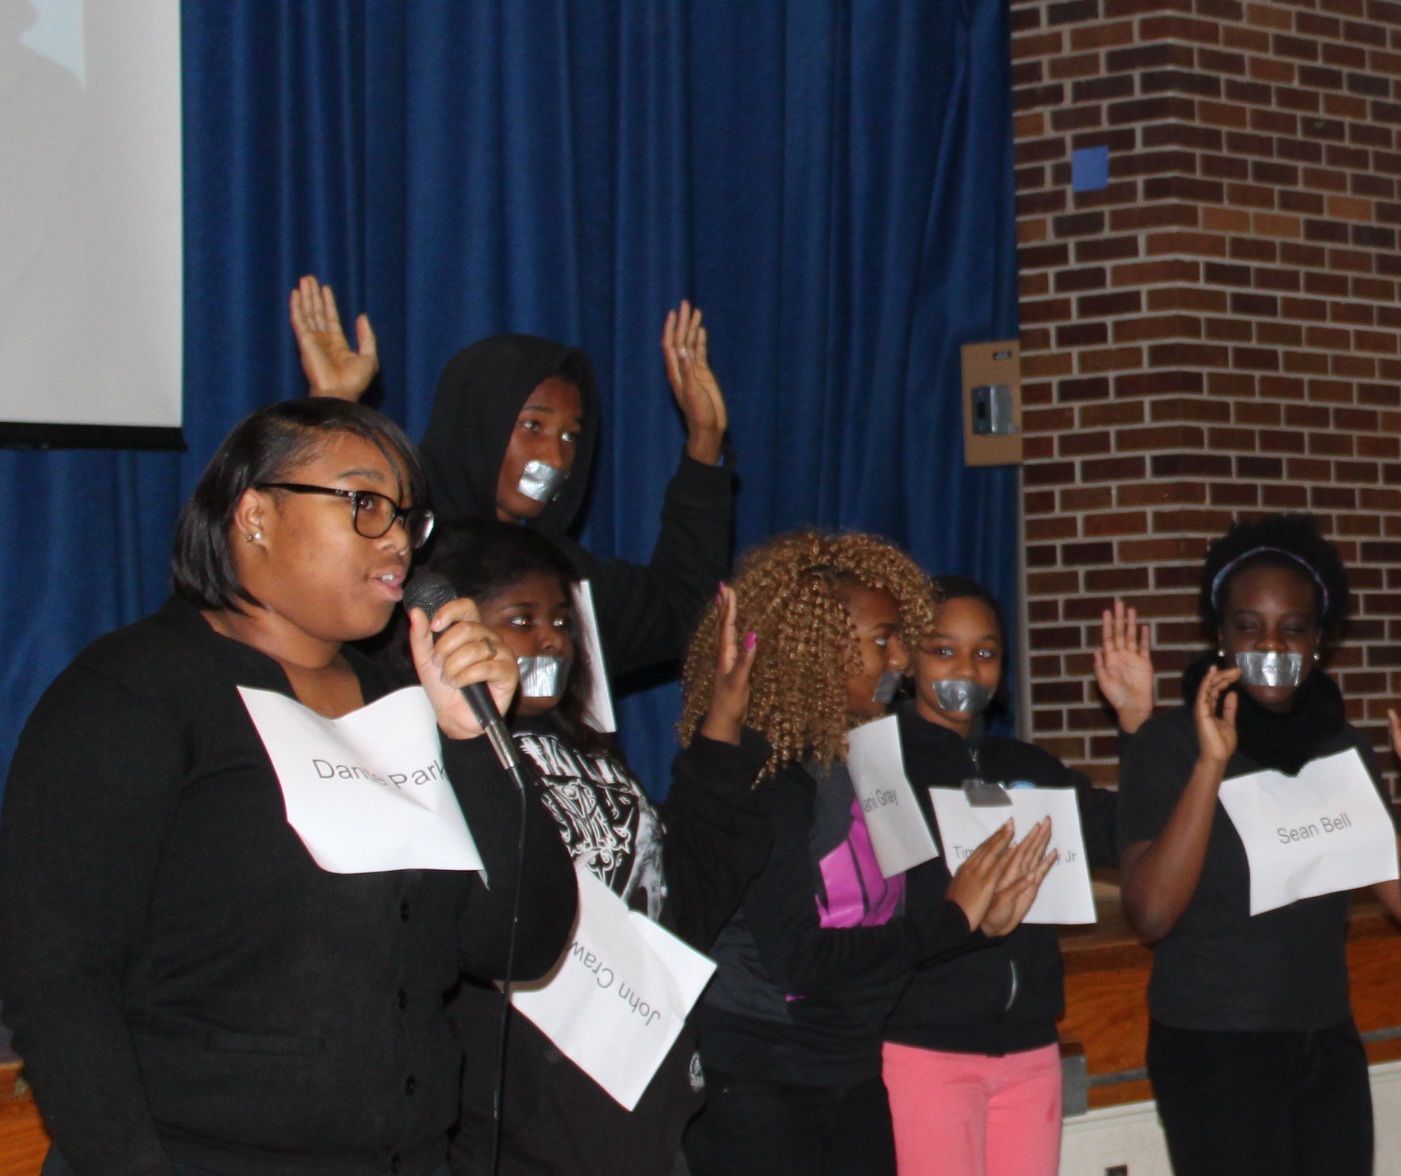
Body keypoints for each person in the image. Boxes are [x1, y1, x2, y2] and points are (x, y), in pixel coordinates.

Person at [0, 398, 578, 1176]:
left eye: (408, 516)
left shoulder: (403, 705)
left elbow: (520, 941)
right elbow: (57, 978)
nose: (399, 539)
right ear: (256, 516)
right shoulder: (134, 692)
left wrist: (474, 741)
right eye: (365, 504)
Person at [675, 531, 1059, 1176]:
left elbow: (892, 927)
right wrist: (956, 920)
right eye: (884, 639)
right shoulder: (769, 777)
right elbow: (801, 960)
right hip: (764, 1076)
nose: (901, 659)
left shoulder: (866, 759)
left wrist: (976, 928)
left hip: (853, 1070)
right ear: (819, 648)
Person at [423, 518, 775, 1174]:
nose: (549, 638)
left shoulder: (591, 751)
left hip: (645, 1106)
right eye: (520, 619)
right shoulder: (445, 759)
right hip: (528, 1125)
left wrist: (724, 722)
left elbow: (676, 893)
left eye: (559, 619)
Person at [1115, 514, 1401, 1176]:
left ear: (1318, 641)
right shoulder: (1168, 746)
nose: (1270, 644)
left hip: (1324, 1041)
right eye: (1248, 626)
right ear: (1220, 635)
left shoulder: (1342, 747)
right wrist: (1211, 764)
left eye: (1292, 628)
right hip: (1212, 1047)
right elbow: (1151, 913)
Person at [295, 278, 738, 685]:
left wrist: (705, 441)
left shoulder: (561, 574)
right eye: (533, 427)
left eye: (571, 437)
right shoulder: (401, 548)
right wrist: (333, 407)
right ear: (477, 425)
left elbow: (683, 614)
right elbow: (305, 568)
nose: (556, 456)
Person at [884, 575, 1124, 1176]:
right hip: (926, 1048)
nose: (966, 668)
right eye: (943, 650)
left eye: (985, 653)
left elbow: (1127, 833)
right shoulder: (881, 767)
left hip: (1030, 1050)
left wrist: (1137, 726)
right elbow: (887, 913)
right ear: (908, 661)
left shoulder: (1029, 766)